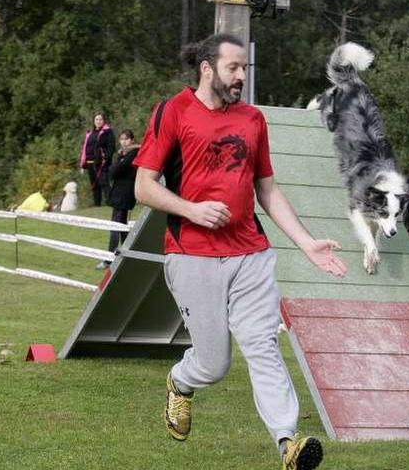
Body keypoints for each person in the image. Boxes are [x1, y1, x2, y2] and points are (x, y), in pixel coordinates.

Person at [133, 33, 345, 470]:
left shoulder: (253, 119)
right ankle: (180, 380)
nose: (241, 76)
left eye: (245, 68)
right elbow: (143, 187)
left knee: (263, 345)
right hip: (191, 254)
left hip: (251, 252)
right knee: (214, 364)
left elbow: (267, 189)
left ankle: (288, 443)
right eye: (234, 68)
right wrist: (190, 208)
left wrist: (305, 243)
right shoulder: (172, 112)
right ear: (207, 68)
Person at [97, 129, 140, 270]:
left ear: (132, 140)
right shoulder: (122, 154)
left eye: (126, 139)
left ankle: (109, 260)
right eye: (121, 139)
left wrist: (116, 167)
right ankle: (131, 256)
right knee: (121, 227)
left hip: (125, 194)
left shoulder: (134, 153)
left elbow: (116, 170)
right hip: (118, 193)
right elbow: (114, 171)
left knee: (115, 226)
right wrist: (115, 167)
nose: (124, 142)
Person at [80, 111, 115, 206]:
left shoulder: (108, 132)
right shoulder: (89, 133)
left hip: (101, 162)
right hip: (90, 162)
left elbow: (111, 147)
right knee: (94, 185)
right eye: (96, 119)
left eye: (100, 119)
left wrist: (106, 158)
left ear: (104, 121)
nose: (98, 121)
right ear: (94, 121)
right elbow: (84, 148)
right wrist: (83, 165)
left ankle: (111, 203)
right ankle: (97, 205)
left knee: (104, 183)